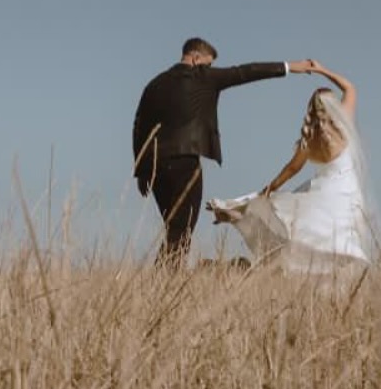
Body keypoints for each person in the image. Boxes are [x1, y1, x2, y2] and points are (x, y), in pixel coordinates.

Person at [132, 37, 314, 263]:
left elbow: (139, 126)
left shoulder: (155, 84)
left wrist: (141, 169)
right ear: (195, 58)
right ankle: (163, 277)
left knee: (173, 227)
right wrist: (290, 67)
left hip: (155, 165)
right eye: (208, 64)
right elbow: (246, 72)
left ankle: (164, 276)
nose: (210, 68)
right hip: (185, 162)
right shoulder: (204, 76)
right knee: (182, 229)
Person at [206, 61, 374, 273]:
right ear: (334, 106)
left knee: (306, 233)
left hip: (323, 190)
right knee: (338, 239)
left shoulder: (311, 138)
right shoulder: (344, 124)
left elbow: (292, 168)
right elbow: (349, 87)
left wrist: (270, 188)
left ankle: (239, 213)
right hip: (345, 190)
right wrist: (321, 70)